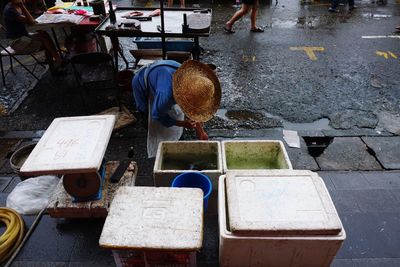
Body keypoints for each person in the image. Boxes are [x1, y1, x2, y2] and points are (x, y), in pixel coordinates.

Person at [132, 60, 221, 158]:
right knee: (147, 114)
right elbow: (156, 115)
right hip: (142, 83)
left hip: (161, 77)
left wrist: (200, 131)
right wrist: (183, 124)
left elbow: (193, 109)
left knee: (168, 108)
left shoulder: (191, 78)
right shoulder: (166, 95)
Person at [3, 0, 63, 73]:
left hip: (24, 36)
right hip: (16, 42)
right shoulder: (10, 10)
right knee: (47, 44)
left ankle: (57, 60)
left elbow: (29, 22)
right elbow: (31, 21)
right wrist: (22, 5)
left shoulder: (16, 6)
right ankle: (56, 64)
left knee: (44, 34)